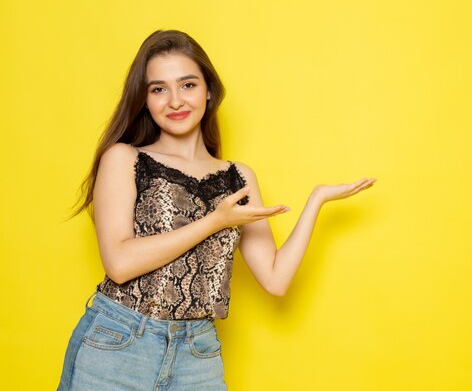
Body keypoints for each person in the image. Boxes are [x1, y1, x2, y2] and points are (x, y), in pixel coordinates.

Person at [56, 29, 376, 391]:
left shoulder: (238, 177)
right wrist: (215, 221)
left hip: (198, 351)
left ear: (209, 91)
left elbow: (275, 279)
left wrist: (316, 200)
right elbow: (118, 262)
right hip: (120, 342)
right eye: (158, 89)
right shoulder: (125, 159)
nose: (175, 100)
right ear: (144, 100)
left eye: (187, 85)